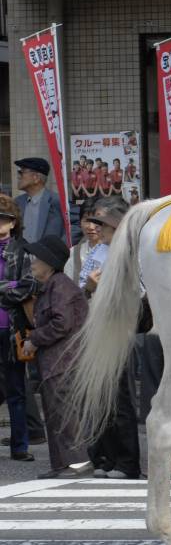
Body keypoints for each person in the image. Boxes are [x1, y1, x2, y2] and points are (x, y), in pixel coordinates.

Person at [19, 235, 92, 478]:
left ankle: (78, 462)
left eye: (36, 258)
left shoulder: (60, 285)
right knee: (55, 412)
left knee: (65, 412)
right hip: (55, 361)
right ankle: (61, 464)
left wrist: (34, 339)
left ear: (49, 262)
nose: (32, 262)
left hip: (64, 360)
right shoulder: (52, 285)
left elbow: (62, 324)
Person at [86, 196, 142, 479]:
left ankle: (127, 462)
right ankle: (107, 458)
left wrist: (100, 288)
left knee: (120, 399)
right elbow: (86, 285)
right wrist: (91, 287)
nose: (100, 229)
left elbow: (136, 294)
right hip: (98, 326)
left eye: (104, 224)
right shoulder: (98, 251)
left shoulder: (131, 252)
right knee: (100, 397)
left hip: (120, 330)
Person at [0, 197, 34, 462]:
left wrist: (7, 288)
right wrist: (8, 286)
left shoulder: (22, 249)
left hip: (12, 328)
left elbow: (27, 286)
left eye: (3, 218)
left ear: (12, 223)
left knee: (16, 389)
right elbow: (15, 286)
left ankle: (20, 446)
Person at [14, 157, 66, 243]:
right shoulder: (17, 202)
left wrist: (59, 248)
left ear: (36, 178)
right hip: (21, 254)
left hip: (48, 255)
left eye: (21, 172)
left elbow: (74, 227)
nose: (18, 177)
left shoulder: (57, 201)